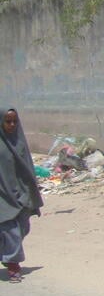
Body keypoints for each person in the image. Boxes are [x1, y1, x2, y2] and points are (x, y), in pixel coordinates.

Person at [0, 107, 43, 283]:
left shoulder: (19, 141)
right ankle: (13, 265)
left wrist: (32, 190)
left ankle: (7, 252)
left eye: (14, 121)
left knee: (23, 228)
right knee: (11, 232)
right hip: (3, 196)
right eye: (7, 121)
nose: (11, 125)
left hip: (22, 193)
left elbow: (28, 167)